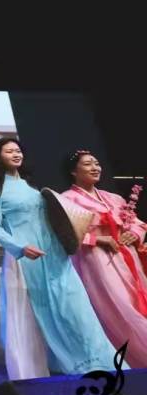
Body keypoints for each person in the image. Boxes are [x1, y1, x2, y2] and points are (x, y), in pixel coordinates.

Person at [0, 138, 123, 381]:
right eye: (9, 151)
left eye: (18, 150)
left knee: (76, 308)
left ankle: (99, 361)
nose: (16, 154)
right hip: (27, 258)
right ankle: (42, 370)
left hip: (54, 253)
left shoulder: (28, 185)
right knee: (37, 315)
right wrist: (20, 247)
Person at [61, 149, 147, 367]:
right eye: (87, 164)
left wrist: (133, 233)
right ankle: (130, 355)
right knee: (116, 304)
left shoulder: (113, 198)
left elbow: (138, 223)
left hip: (125, 256)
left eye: (96, 163)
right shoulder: (67, 199)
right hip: (96, 260)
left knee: (136, 299)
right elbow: (65, 233)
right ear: (73, 171)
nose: (95, 167)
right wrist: (97, 239)